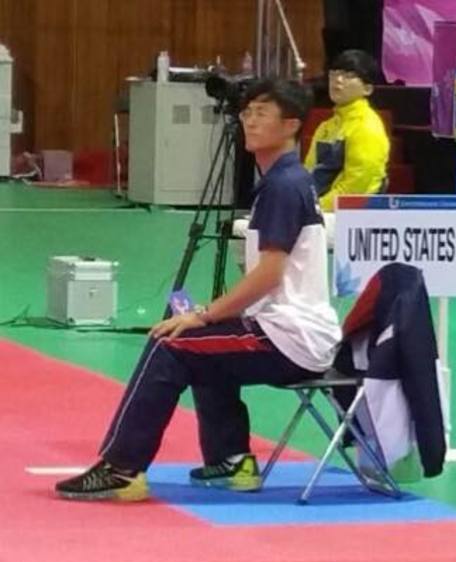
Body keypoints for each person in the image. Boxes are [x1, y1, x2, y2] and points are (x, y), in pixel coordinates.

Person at [55, 78, 342, 501]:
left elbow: (270, 275)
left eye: (262, 113)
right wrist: (211, 317)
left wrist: (204, 313)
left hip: (291, 338)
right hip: (289, 330)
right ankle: (231, 460)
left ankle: (121, 468)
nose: (250, 121)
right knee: (204, 345)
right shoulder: (284, 180)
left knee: (171, 344)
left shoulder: (283, 185)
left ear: (291, 125)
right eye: (247, 112)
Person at [304, 49, 390, 213]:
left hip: (352, 216)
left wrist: (316, 209)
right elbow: (309, 174)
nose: (338, 80)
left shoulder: (367, 126)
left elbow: (356, 186)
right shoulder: (326, 127)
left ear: (367, 89)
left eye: (348, 75)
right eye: (334, 74)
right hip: (319, 211)